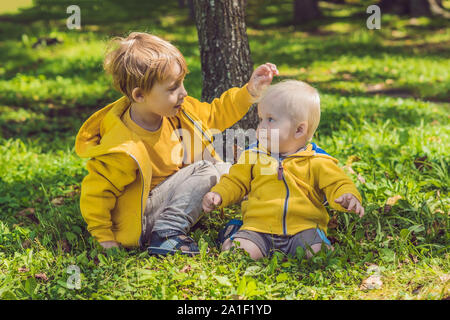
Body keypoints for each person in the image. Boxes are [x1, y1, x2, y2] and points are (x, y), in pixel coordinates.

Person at [74, 32, 279, 254]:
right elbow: (97, 192)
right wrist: (103, 236)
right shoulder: (123, 144)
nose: (184, 92)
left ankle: (272, 210)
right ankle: (166, 233)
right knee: (207, 169)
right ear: (140, 95)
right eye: (173, 88)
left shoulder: (177, 111)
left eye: (182, 83)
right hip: (141, 219)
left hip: (170, 196)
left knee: (230, 168)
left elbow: (215, 114)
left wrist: (249, 92)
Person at [202, 80, 364, 260]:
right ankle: (234, 233)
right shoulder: (254, 155)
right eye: (261, 119)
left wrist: (347, 196)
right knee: (238, 253)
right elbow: (235, 181)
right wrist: (219, 194)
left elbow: (338, 183)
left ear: (299, 130)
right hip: (258, 228)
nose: (261, 125)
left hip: (304, 229)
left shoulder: (317, 160)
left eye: (270, 119)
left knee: (319, 254)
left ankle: (313, 246)